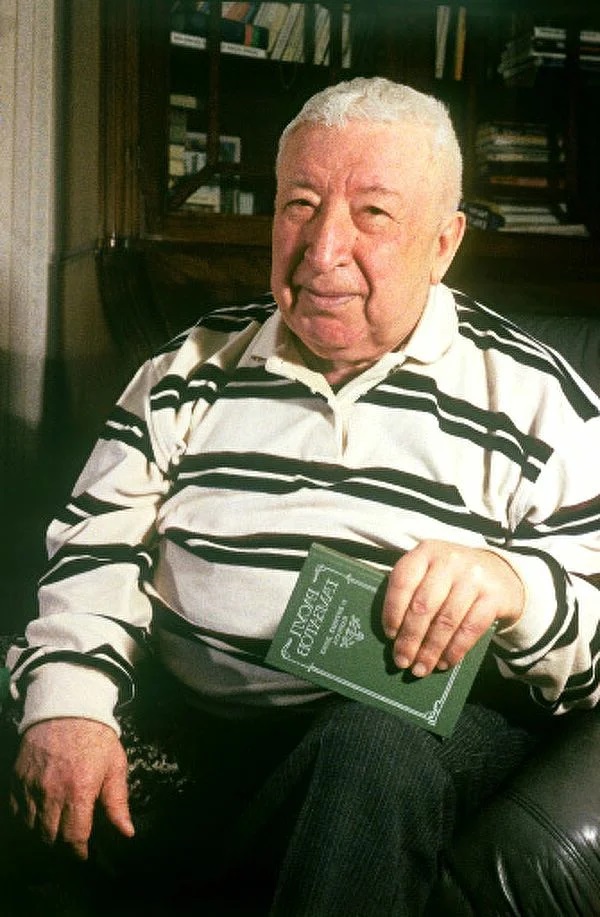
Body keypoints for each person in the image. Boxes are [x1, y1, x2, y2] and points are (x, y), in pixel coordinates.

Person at [5, 76, 600, 915]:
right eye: (300, 205)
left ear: (444, 242)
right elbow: (95, 546)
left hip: (395, 736)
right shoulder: (190, 366)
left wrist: (515, 586)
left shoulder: (539, 399)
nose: (322, 250)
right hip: (191, 723)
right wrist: (68, 705)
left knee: (370, 747)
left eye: (373, 214)